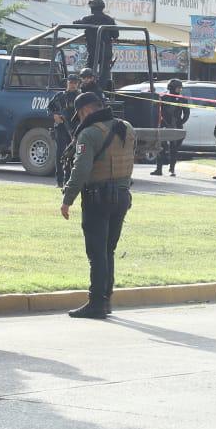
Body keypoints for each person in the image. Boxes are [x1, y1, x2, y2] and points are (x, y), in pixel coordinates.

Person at [60, 90, 135, 319]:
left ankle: (96, 303)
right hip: (122, 196)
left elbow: (81, 169)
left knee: (96, 253)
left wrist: (67, 199)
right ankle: (106, 299)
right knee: (108, 251)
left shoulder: (90, 134)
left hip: (97, 198)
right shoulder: (127, 127)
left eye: (80, 114)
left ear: (85, 111)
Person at [73, 0, 118, 90]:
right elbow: (116, 34)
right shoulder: (109, 20)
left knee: (88, 72)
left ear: (92, 8)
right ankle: (102, 91)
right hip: (106, 52)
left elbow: (76, 24)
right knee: (104, 74)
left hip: (93, 51)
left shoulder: (88, 19)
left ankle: (87, 89)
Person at [153, 77, 190, 177]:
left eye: (180, 88)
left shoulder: (182, 99)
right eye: (178, 88)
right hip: (164, 125)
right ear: (172, 87)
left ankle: (172, 169)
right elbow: (157, 110)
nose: (180, 89)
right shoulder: (163, 97)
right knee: (161, 147)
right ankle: (158, 169)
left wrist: (180, 122)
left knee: (174, 148)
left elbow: (186, 113)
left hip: (176, 126)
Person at [50, 73, 81, 186]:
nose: (73, 85)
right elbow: (49, 109)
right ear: (67, 83)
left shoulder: (80, 96)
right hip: (61, 127)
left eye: (75, 83)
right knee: (60, 153)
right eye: (71, 82)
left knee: (72, 154)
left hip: (75, 129)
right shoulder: (60, 96)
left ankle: (68, 179)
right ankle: (59, 180)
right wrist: (55, 115)